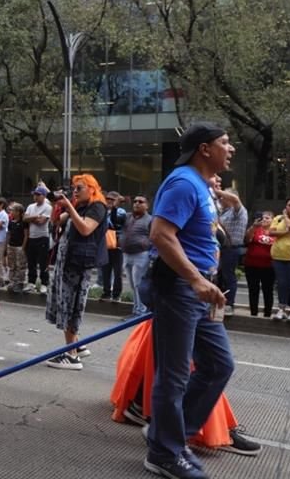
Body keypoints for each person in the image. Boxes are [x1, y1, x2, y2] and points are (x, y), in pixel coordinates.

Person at [145, 122, 234, 479]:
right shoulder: (183, 183)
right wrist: (196, 280)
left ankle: (170, 436)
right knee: (174, 375)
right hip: (180, 289)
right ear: (204, 149)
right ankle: (164, 453)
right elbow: (161, 235)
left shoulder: (202, 185)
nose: (231, 149)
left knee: (218, 365)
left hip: (200, 292)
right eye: (225, 143)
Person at [111, 320, 261, 456]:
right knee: (193, 368)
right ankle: (166, 436)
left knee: (217, 366)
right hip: (182, 300)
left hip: (197, 302)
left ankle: (161, 426)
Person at [45, 174, 108, 371]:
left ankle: (71, 355)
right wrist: (57, 203)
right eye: (74, 188)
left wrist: (70, 207)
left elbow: (85, 229)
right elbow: (56, 221)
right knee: (64, 301)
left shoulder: (97, 207)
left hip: (78, 263)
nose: (75, 191)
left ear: (92, 188)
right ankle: (77, 345)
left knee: (70, 305)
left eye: (79, 188)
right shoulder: (79, 205)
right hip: (68, 261)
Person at [215, 186, 247, 317]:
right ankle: (219, 303)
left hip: (231, 248)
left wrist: (216, 191)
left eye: (224, 196)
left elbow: (235, 199)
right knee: (220, 276)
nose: (222, 198)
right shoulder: (224, 212)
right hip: (221, 248)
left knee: (229, 276)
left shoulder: (237, 210)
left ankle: (230, 304)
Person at [122, 195, 153, 317]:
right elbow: (113, 220)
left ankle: (141, 312)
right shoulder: (127, 217)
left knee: (138, 284)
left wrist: (145, 244)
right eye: (135, 201)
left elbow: (154, 236)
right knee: (132, 285)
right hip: (126, 254)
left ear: (147, 206)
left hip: (141, 255)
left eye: (141, 202)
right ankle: (136, 310)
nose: (137, 204)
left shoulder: (150, 220)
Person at [243, 211, 275, 317]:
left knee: (268, 291)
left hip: (269, 267)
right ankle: (253, 313)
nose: (264, 220)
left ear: (273, 220)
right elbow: (247, 239)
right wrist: (253, 227)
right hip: (252, 265)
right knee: (253, 290)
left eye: (267, 218)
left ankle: (267, 314)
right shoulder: (255, 229)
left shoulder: (276, 232)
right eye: (263, 218)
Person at [23, 186, 53, 292]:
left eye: (38, 195)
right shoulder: (31, 206)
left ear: (44, 196)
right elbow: (25, 218)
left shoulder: (48, 207)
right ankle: (31, 282)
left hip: (42, 237)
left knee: (43, 262)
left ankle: (44, 283)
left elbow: (42, 222)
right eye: (34, 194)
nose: (35, 197)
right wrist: (36, 217)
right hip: (32, 237)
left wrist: (31, 218)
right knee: (31, 261)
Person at [102, 191, 127, 302]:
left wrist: (114, 209)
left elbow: (116, 222)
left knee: (117, 272)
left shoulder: (121, 211)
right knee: (105, 271)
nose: (109, 201)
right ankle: (106, 292)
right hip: (104, 245)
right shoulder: (103, 211)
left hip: (116, 245)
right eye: (108, 199)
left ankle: (116, 294)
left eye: (112, 199)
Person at [6, 203, 28, 292]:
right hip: (11, 245)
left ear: (18, 212)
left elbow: (26, 235)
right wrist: (7, 245)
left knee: (20, 265)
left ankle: (20, 282)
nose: (12, 212)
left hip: (19, 246)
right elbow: (9, 234)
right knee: (12, 265)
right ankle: (12, 281)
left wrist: (23, 246)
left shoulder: (24, 222)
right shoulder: (11, 222)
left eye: (13, 210)